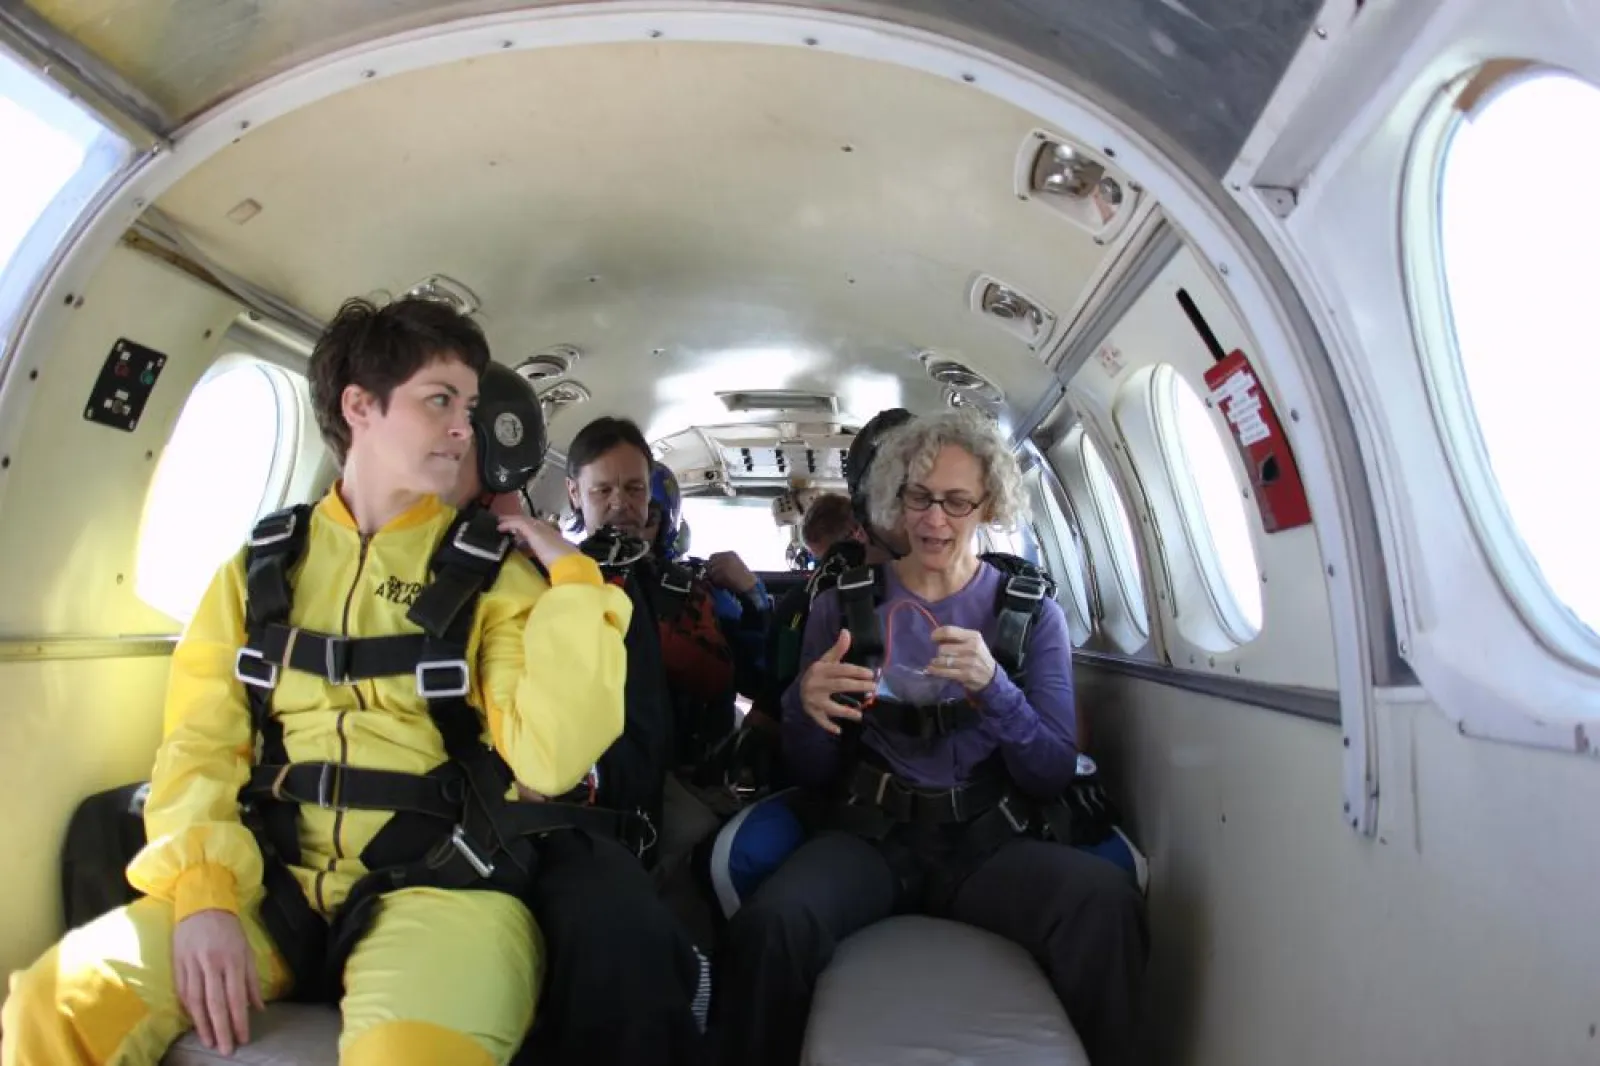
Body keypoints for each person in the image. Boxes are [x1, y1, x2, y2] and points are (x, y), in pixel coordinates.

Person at [2, 297, 631, 1066]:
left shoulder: (499, 579)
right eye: (441, 401)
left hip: (443, 894)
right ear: (359, 407)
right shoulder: (257, 569)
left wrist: (575, 578)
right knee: (51, 1002)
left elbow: (550, 758)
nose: (466, 427)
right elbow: (199, 743)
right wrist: (203, 895)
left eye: (468, 406)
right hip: (265, 889)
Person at [709, 408, 1148, 1066]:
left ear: (989, 502)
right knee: (769, 928)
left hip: (986, 842)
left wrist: (994, 688)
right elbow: (811, 770)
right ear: (896, 496)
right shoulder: (843, 605)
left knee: (1106, 905)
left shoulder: (1031, 614)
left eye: (956, 501)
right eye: (918, 497)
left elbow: (1052, 771)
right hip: (871, 838)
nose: (933, 519)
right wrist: (805, 707)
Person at [451, 372, 710, 1066]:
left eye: (635, 490)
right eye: (604, 491)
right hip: (540, 804)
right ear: (574, 494)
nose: (622, 507)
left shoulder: (676, 588)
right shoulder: (530, 571)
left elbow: (696, 706)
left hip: (647, 800)